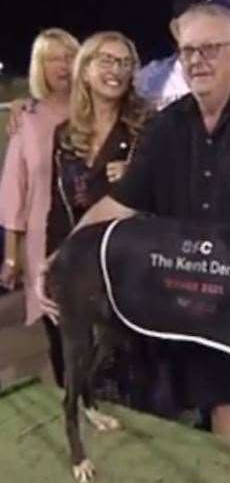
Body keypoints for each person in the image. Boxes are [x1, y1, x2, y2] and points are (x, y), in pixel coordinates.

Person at [42, 1, 230, 452]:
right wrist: (62, 259)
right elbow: (117, 204)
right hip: (200, 306)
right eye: (188, 50)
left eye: (210, 48)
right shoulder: (168, 125)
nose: (196, 60)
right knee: (221, 410)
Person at [45, 31, 148, 391]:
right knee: (78, 369)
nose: (116, 70)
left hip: (129, 273)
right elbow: (58, 209)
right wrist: (51, 267)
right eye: (106, 60)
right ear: (85, 69)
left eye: (124, 62)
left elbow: (170, 195)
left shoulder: (148, 127)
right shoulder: (64, 135)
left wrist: (138, 177)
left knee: (129, 378)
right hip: (79, 267)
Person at [0, 28, 79, 383]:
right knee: (57, 328)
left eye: (69, 56)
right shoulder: (27, 119)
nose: (63, 65)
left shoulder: (94, 110)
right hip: (42, 241)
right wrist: (12, 255)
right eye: (53, 59)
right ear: (40, 68)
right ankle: (71, 398)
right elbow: (14, 191)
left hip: (89, 232)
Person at [135, 0, 230, 109]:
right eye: (193, 18)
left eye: (211, 17)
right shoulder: (148, 80)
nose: (203, 26)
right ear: (174, 28)